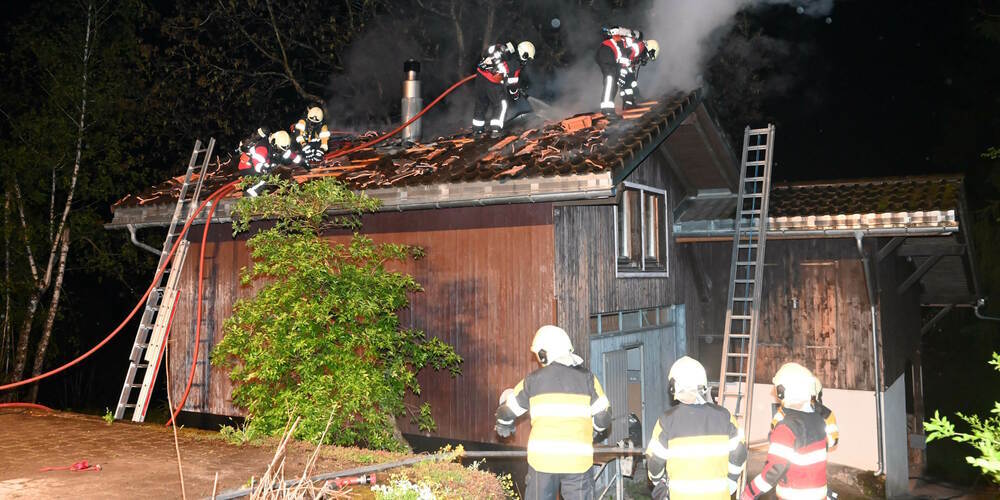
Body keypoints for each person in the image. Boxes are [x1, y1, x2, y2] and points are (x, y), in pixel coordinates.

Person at [495, 325, 611, 500]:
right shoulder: (588, 379)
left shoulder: (532, 381)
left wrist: (504, 424)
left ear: (544, 353)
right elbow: (603, 419)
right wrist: (594, 430)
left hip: (542, 462)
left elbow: (506, 411)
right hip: (577, 461)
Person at [645, 356, 747, 500]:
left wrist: (659, 483)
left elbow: (655, 462)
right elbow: (739, 454)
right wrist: (730, 482)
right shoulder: (725, 417)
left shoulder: (666, 421)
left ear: (675, 386)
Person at [743, 363, 830, 500]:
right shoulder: (818, 420)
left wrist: (750, 492)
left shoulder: (786, 428)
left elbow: (775, 468)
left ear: (782, 391)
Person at [472, 40, 535, 137]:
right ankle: (496, 131)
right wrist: (515, 95)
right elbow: (512, 85)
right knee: (502, 105)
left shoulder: (504, 49)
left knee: (481, 103)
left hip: (480, 76)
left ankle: (477, 131)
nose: (526, 61)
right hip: (492, 82)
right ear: (524, 54)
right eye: (527, 58)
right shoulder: (516, 64)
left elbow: (488, 53)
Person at [595, 26, 658, 116]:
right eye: (647, 57)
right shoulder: (639, 47)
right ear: (649, 51)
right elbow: (624, 56)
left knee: (628, 77)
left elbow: (627, 67)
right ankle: (607, 110)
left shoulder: (637, 50)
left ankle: (628, 102)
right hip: (608, 52)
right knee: (611, 79)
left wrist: (624, 75)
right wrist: (622, 73)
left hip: (612, 56)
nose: (645, 60)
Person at [771, 375, 840, 450]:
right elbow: (775, 426)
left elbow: (832, 441)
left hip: (813, 456)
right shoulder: (787, 408)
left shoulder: (825, 414)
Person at [237, 131, 301, 197]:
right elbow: (257, 162)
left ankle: (291, 191)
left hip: (262, 165)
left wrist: (298, 158)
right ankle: (250, 194)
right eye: (279, 149)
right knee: (268, 178)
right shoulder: (262, 147)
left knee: (278, 172)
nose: (280, 151)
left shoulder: (279, 145)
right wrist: (265, 169)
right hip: (249, 168)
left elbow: (288, 153)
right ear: (273, 142)